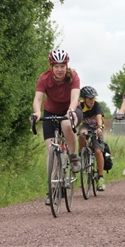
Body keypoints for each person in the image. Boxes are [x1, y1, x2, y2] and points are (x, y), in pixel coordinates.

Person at [32, 49, 83, 205]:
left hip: (71, 110)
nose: (60, 69)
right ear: (51, 67)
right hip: (50, 112)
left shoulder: (73, 77)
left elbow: (75, 97)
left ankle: (73, 155)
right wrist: (37, 112)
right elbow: (38, 99)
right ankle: (52, 188)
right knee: (52, 152)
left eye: (62, 66)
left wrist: (71, 110)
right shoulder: (44, 79)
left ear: (66, 66)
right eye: (56, 66)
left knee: (67, 124)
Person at [78, 86, 106, 191]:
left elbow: (99, 117)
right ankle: (81, 154)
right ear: (84, 99)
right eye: (90, 98)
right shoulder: (80, 105)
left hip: (96, 127)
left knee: (98, 151)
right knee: (82, 134)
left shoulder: (97, 105)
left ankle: (101, 177)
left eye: (93, 98)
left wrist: (99, 128)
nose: (92, 101)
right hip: (85, 126)